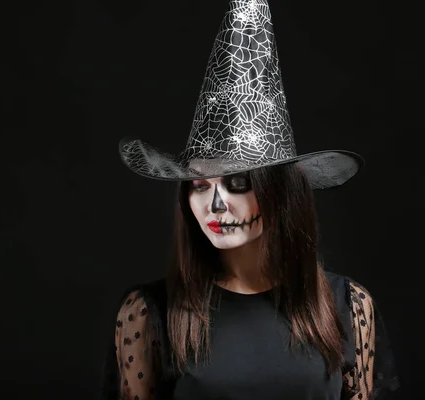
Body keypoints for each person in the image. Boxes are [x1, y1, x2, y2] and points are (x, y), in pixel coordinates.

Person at [101, 0, 400, 399]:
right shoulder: (148, 312)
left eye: (238, 183)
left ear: (282, 193)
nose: (216, 205)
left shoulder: (348, 306)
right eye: (201, 185)